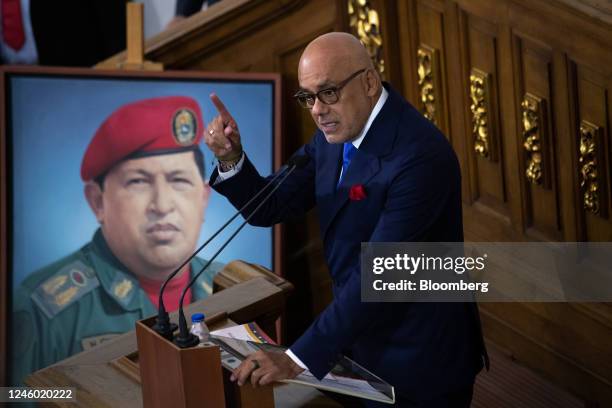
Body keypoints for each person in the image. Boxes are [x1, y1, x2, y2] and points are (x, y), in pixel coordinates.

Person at [204, 32, 488, 407]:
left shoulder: (420, 158)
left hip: (417, 358)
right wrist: (231, 159)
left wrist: (295, 360)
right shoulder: (333, 135)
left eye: (329, 92)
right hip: (356, 345)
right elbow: (270, 206)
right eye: (308, 97)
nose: (317, 110)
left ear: (369, 82)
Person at [10, 96, 223, 385]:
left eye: (179, 180)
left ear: (203, 198)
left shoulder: (230, 286)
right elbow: (15, 397)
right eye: (138, 181)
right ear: (98, 202)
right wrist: (79, 402)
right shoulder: (41, 310)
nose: (162, 205)